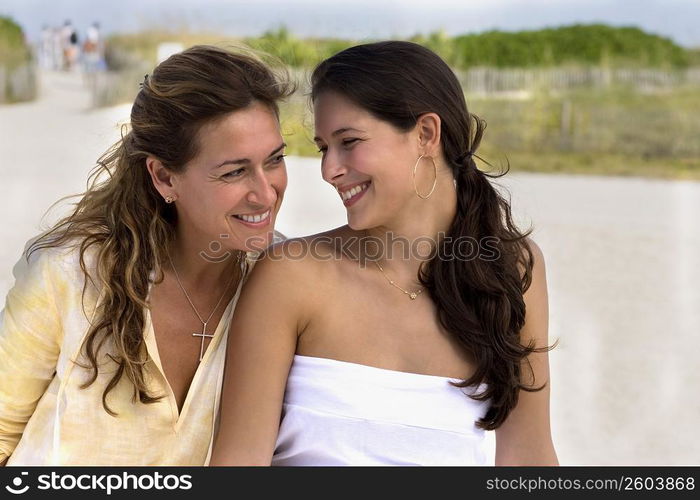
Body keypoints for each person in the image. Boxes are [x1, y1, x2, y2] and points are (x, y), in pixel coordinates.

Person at [210, 41, 559, 466]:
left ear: (426, 134)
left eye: (349, 141)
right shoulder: (291, 275)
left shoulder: (513, 269)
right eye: (324, 148)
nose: (329, 170)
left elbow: (528, 457)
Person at [0, 45, 292, 465]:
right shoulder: (68, 272)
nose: (266, 193)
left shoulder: (288, 282)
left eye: (275, 159)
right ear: (164, 176)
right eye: (234, 171)